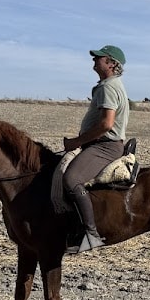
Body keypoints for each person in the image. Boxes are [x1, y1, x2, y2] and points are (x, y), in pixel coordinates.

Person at [62, 45, 131, 253]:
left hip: (105, 147)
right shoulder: (110, 85)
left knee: (71, 180)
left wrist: (76, 142)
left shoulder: (108, 87)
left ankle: (90, 235)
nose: (94, 60)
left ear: (111, 63)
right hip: (101, 145)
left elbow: (106, 124)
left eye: (99, 57)